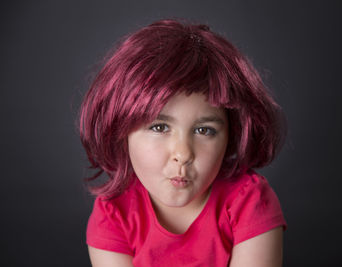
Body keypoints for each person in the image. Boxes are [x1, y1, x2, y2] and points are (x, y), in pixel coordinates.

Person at [79, 19, 287, 267]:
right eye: (159, 127)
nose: (183, 153)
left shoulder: (249, 202)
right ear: (120, 130)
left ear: (232, 135)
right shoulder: (114, 214)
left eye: (204, 130)